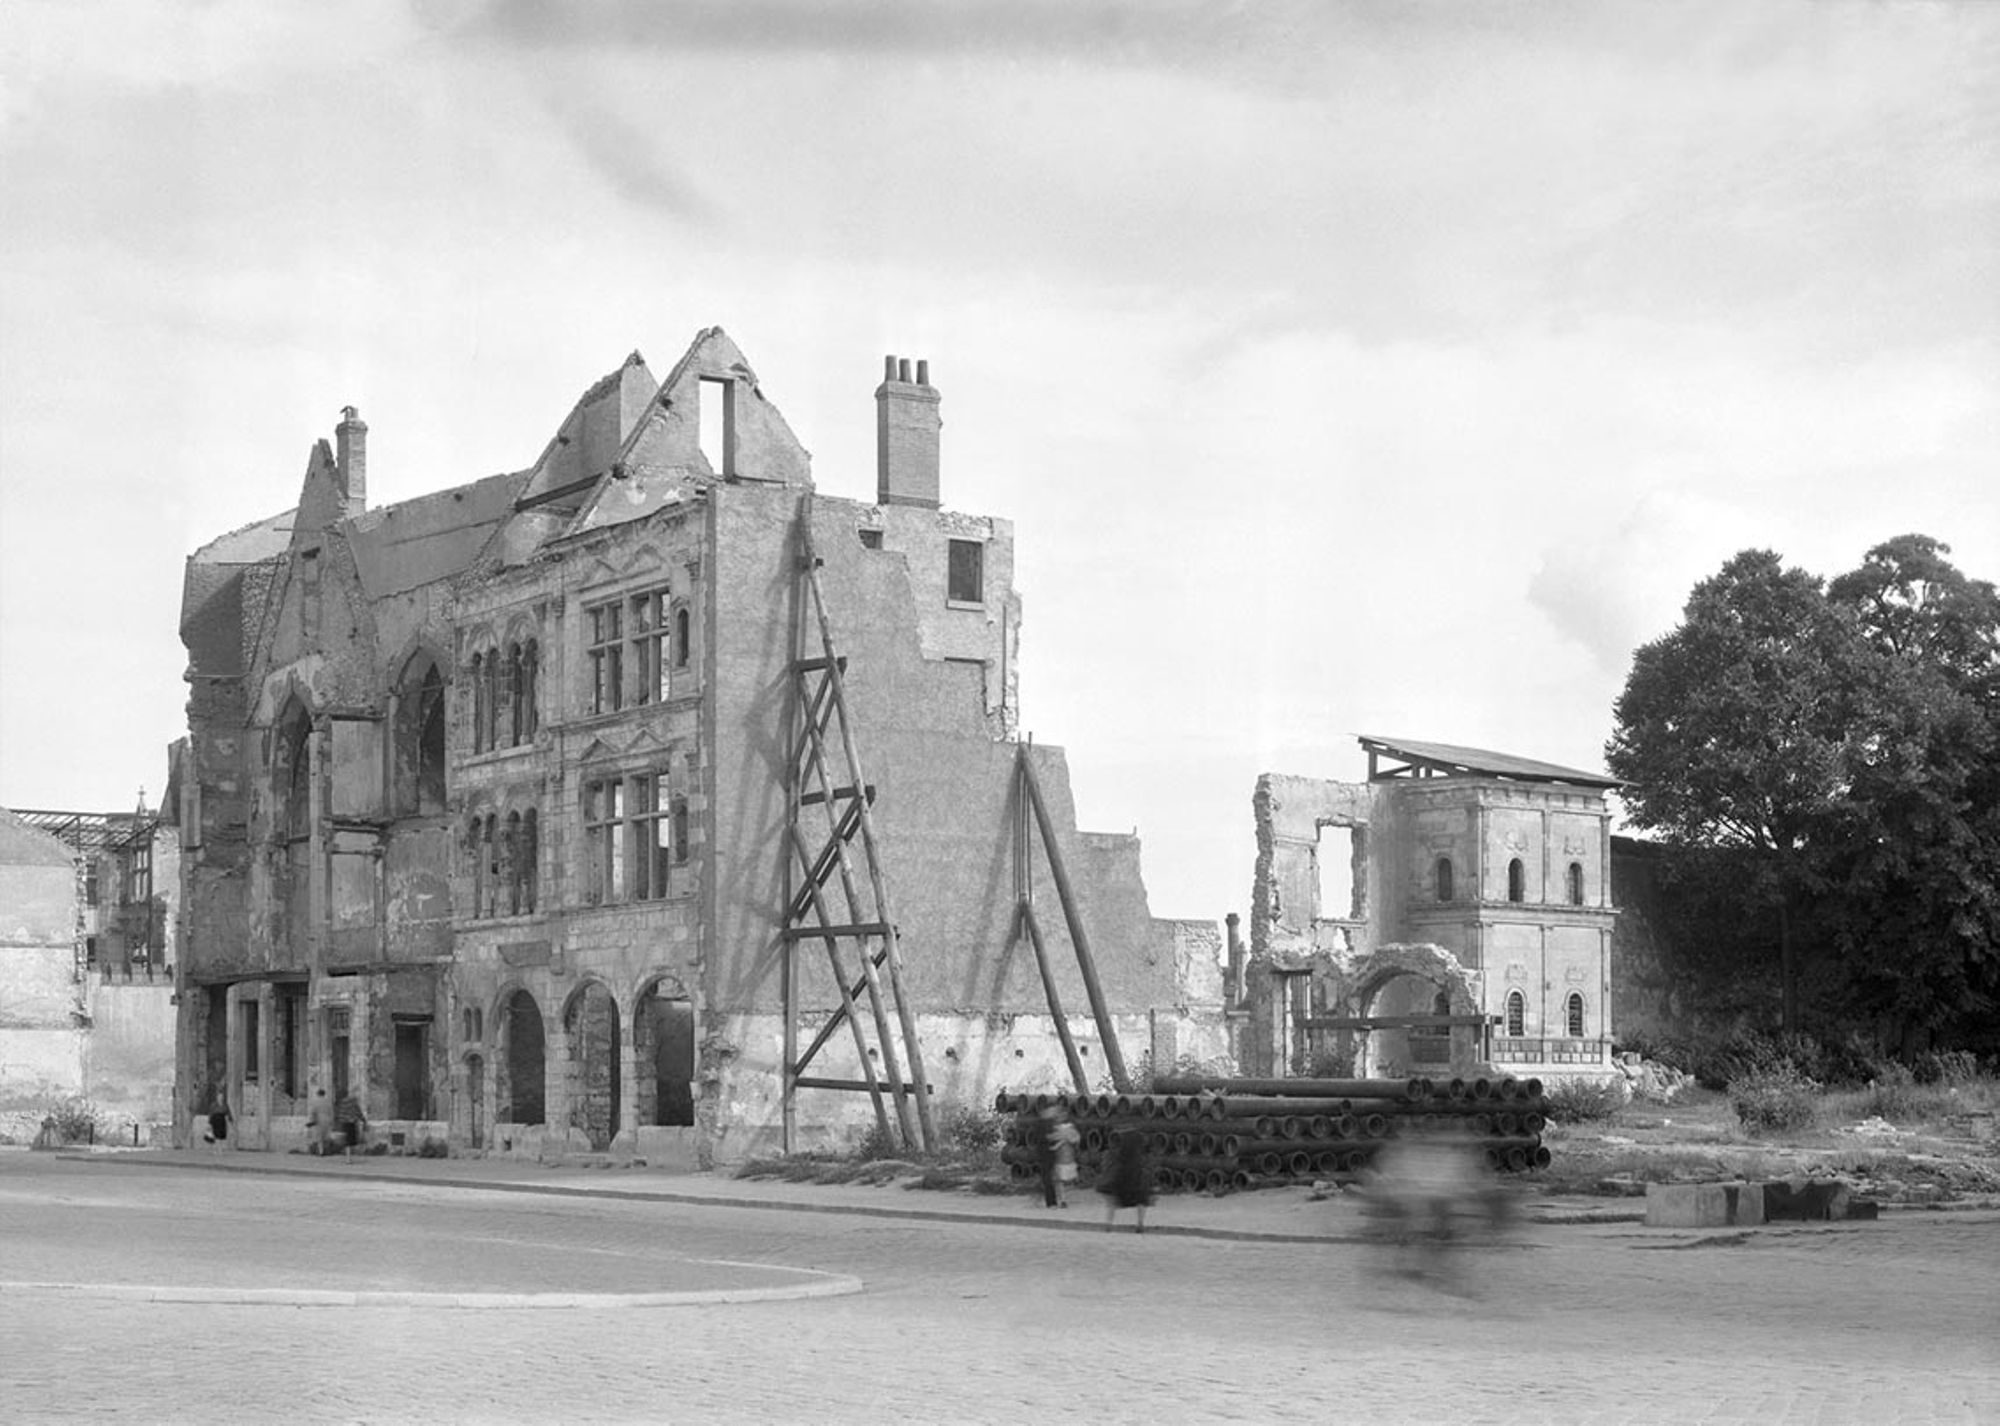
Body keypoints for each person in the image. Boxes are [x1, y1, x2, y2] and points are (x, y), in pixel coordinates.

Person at [1098, 1126, 1154, 1233]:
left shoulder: (1117, 1152)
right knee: (1141, 1200)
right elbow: (1147, 1166)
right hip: (1137, 1179)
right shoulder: (1140, 1153)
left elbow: (1110, 1166)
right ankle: (1140, 1223)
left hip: (1121, 1179)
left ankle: (1108, 1223)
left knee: (1113, 1201)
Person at [1030, 1105, 1061, 1207]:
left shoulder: (1050, 1122)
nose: (1054, 1113)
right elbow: (1042, 1137)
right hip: (1045, 1153)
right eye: (1053, 1110)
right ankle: (1051, 1202)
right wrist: (1054, 1137)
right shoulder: (1042, 1123)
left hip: (1050, 1153)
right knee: (1047, 1177)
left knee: (1047, 1177)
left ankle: (1043, 1199)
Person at [1050, 1111, 1081, 1208]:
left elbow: (1073, 1140)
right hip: (1068, 1157)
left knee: (1059, 1180)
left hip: (1061, 1157)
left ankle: (1063, 1199)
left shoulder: (1057, 1129)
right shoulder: (1071, 1129)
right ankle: (1063, 1199)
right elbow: (1076, 1140)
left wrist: (1058, 1144)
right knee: (1061, 1180)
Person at [334, 1089, 366, 1161]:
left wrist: (340, 1122)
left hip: (345, 1123)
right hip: (352, 1122)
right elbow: (358, 1111)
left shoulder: (342, 1103)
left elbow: (340, 1114)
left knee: (347, 1140)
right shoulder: (353, 1102)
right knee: (352, 1140)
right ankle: (350, 1157)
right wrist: (363, 1119)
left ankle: (348, 1157)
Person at [200, 1086, 232, 1153]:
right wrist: (209, 1123)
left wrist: (230, 1119)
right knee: (215, 1135)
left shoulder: (225, 1105)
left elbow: (228, 1112)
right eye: (219, 1097)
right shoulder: (214, 1105)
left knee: (221, 1136)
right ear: (217, 1097)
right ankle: (215, 1149)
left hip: (222, 1120)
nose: (221, 1098)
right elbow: (211, 1113)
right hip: (215, 1120)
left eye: (222, 1097)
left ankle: (220, 1149)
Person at [306, 1087, 334, 1156]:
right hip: (327, 1120)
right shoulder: (328, 1102)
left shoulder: (315, 1102)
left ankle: (321, 1152)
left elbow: (312, 1112)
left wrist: (311, 1121)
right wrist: (332, 1120)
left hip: (319, 1121)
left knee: (319, 1138)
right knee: (326, 1136)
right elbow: (331, 1112)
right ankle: (327, 1151)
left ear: (318, 1094)